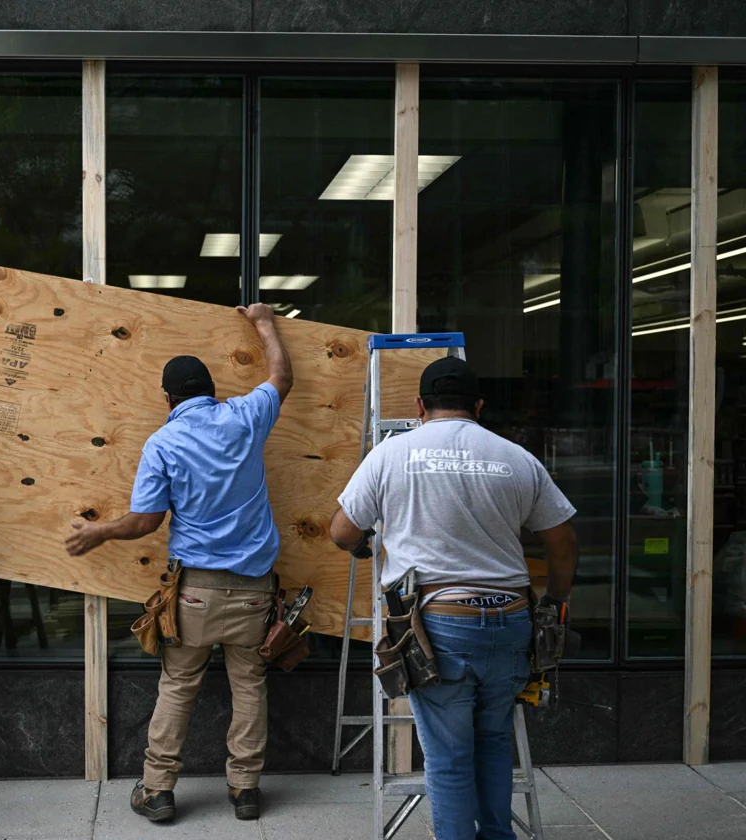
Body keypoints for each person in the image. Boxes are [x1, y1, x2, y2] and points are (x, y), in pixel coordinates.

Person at [329, 356, 578, 840]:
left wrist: (365, 545)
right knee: (493, 743)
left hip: (438, 625)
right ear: (479, 406)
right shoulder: (515, 457)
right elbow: (563, 541)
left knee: (448, 759)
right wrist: (556, 600)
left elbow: (341, 531)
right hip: (511, 619)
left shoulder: (390, 454)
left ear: (420, 406)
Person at [65, 303, 293, 823]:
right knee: (249, 685)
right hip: (256, 590)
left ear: (168, 398)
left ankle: (159, 790)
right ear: (211, 388)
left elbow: (145, 521)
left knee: (178, 687)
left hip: (195, 594)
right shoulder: (245, 416)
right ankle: (246, 789)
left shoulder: (163, 442)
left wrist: (100, 530)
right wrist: (263, 323)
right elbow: (282, 376)